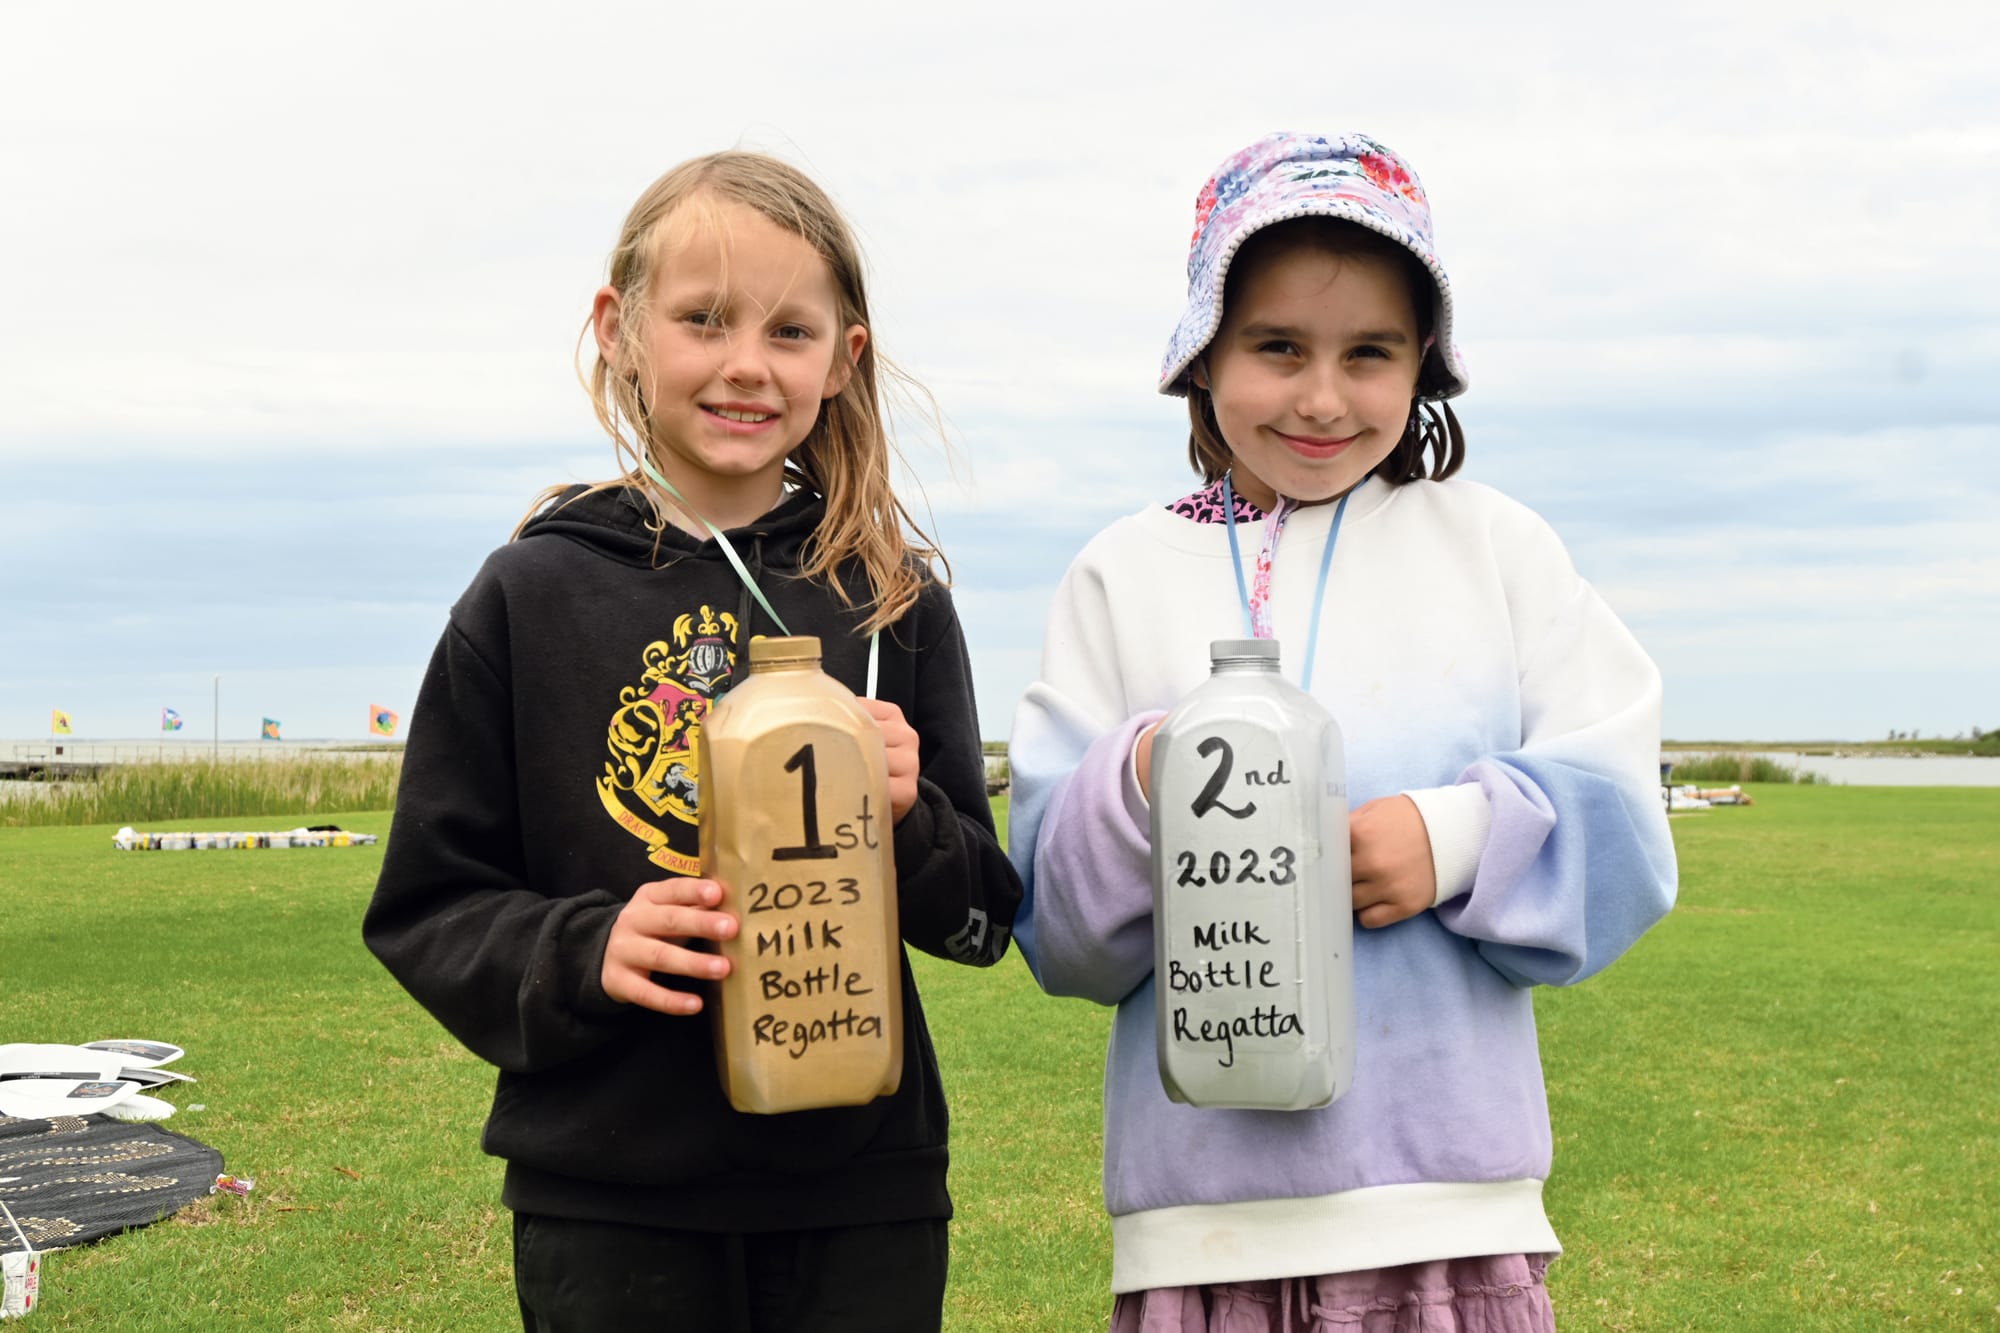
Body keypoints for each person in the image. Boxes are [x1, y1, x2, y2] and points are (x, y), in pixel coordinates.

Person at [1007, 132, 1678, 1331]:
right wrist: (1143, 784)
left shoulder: (1495, 550)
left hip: (1448, 1216)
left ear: (1422, 362)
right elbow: (1054, 927)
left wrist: (1457, 837)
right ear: (1202, 353)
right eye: (1276, 348)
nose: (1320, 397)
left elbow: (1625, 813)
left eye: (1367, 353)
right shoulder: (1121, 575)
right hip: (1198, 1226)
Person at [364, 150, 1021, 1333]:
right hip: (609, 1195)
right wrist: (587, 948)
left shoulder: (889, 599)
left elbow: (979, 918)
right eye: (703, 319)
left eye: (787, 330)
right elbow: (427, 905)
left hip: (860, 1196)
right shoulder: (527, 594)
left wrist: (912, 818)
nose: (744, 364)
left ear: (843, 358)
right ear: (620, 328)